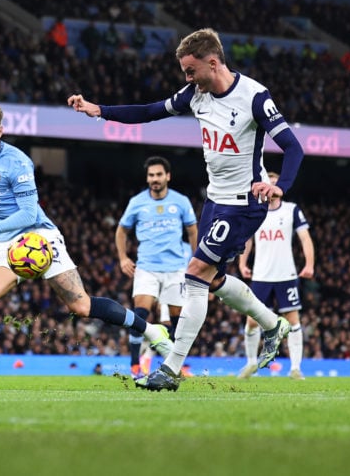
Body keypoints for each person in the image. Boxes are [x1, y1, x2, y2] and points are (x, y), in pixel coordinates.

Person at [68, 27, 305, 391]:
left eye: (191, 71)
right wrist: (99, 110)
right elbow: (149, 111)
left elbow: (293, 147)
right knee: (211, 280)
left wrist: (279, 186)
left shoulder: (255, 97)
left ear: (213, 62)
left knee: (194, 274)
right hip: (215, 200)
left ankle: (170, 369)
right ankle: (273, 324)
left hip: (244, 204)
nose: (187, 78)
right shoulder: (196, 94)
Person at [0, 102, 173, 387]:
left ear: (1, 131)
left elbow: (29, 213)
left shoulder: (18, 163)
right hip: (8, 242)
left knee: (81, 306)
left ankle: (151, 331)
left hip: (39, 237)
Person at [115, 156, 198, 378]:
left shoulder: (180, 201)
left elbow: (192, 230)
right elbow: (122, 231)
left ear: (167, 176)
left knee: (178, 317)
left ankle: (173, 364)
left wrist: (195, 258)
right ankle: (135, 365)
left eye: (159, 175)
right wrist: (123, 258)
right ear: (147, 178)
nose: (155, 179)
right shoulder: (137, 202)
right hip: (147, 267)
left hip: (176, 269)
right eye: (151, 175)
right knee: (140, 313)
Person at [236, 171, 315, 380]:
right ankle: (251, 363)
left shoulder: (291, 210)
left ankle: (296, 368)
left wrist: (309, 264)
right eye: (268, 182)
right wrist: (242, 263)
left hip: (286, 274)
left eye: (275, 182)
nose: (271, 186)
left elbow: (305, 238)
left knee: (293, 320)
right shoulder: (256, 212)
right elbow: (247, 241)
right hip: (261, 275)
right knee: (252, 321)